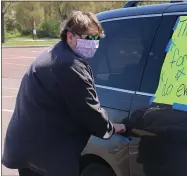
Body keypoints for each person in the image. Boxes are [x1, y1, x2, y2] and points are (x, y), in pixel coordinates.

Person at [2, 11, 126, 176]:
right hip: (47, 155)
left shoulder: (54, 53)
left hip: (27, 149)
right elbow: (88, 110)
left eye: (97, 38)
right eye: (89, 38)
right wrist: (110, 128)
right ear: (70, 36)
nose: (94, 43)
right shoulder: (70, 65)